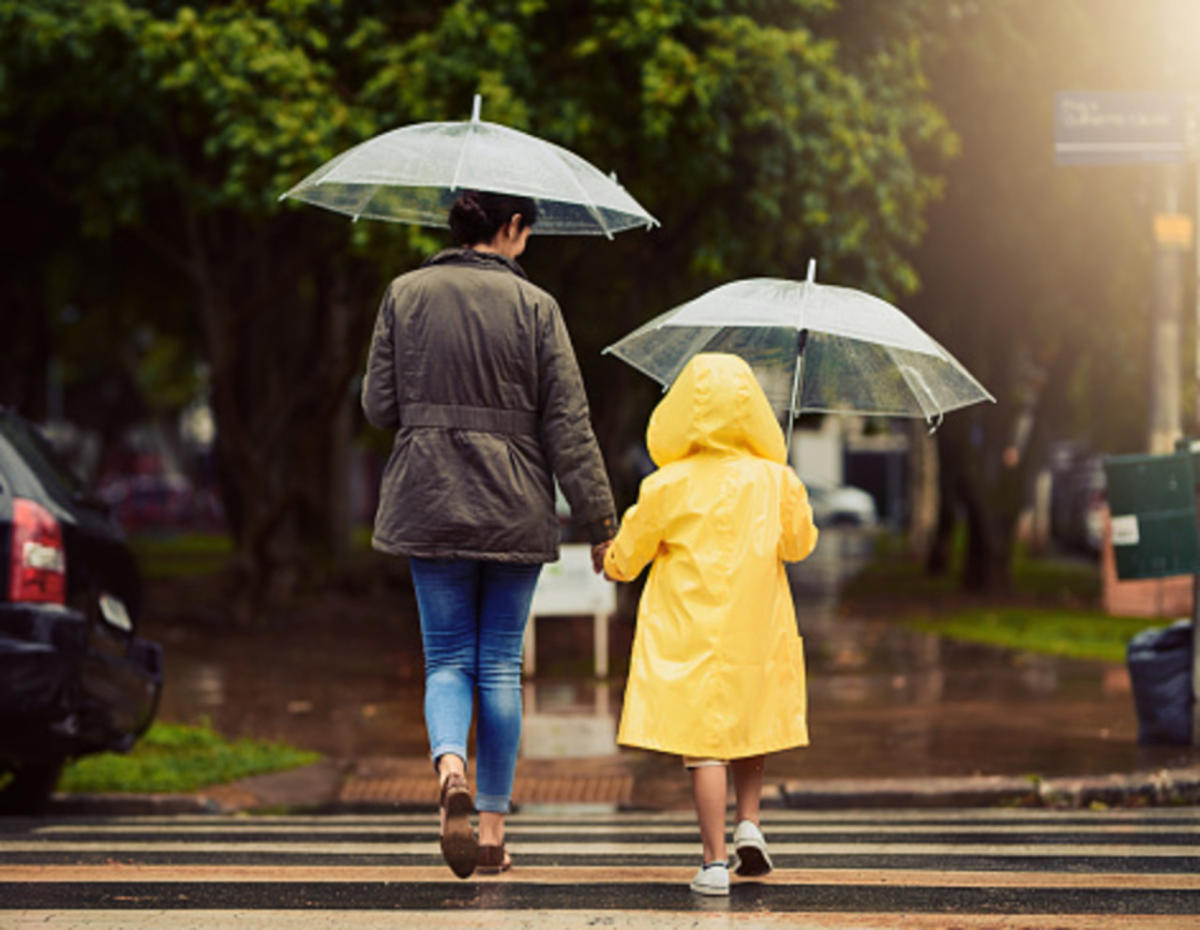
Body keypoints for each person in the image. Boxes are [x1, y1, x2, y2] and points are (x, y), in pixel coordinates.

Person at [361, 189, 616, 879]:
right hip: (513, 503)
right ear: (509, 227)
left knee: (446, 658)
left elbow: (379, 406)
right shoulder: (538, 309)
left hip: (428, 496)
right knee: (499, 664)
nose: (526, 243)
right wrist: (598, 522)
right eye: (526, 231)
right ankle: (496, 835)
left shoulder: (404, 293)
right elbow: (568, 425)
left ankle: (450, 769)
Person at [600, 352, 819, 896]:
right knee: (751, 723)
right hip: (756, 626)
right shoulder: (775, 480)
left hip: (689, 630)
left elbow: (628, 557)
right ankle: (750, 823)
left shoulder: (668, 484)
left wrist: (608, 559)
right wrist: (790, 490)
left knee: (705, 744)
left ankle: (715, 861)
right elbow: (800, 545)